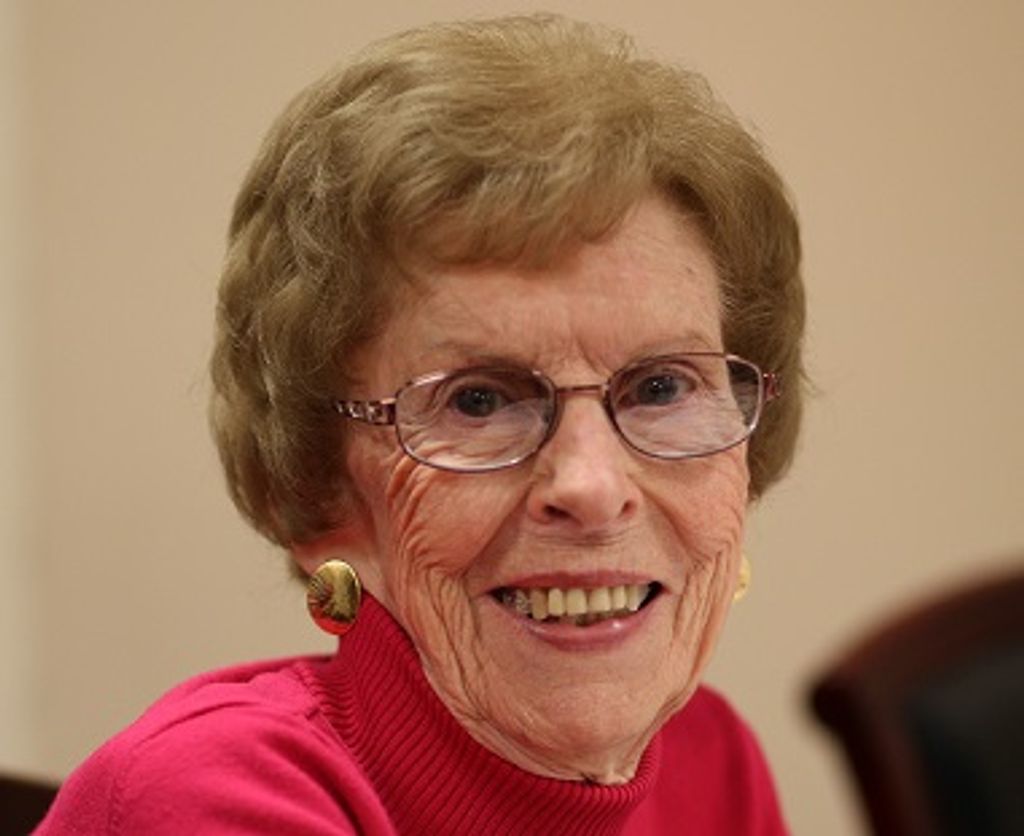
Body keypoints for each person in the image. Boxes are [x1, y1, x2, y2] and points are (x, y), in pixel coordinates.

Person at [38, 13, 803, 835]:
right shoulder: (205, 799)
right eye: (479, 400)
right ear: (324, 489)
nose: (591, 487)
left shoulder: (708, 763)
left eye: (660, 386)